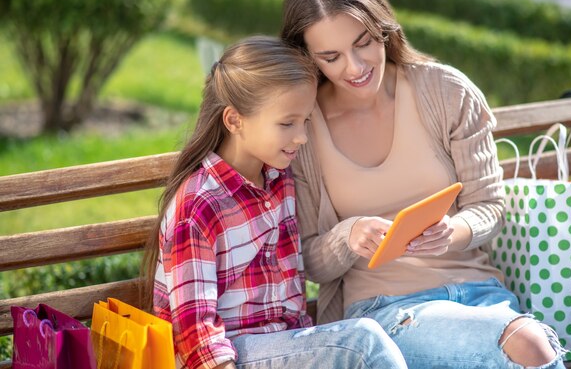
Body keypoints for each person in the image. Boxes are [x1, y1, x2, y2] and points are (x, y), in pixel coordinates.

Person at [280, 0, 567, 369]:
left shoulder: (445, 91)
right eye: (331, 57)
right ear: (307, 57)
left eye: (363, 42)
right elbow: (310, 261)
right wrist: (348, 235)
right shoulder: (304, 128)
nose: (355, 68)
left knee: (522, 345)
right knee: (530, 348)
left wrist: (453, 231)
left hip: (480, 295)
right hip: (387, 313)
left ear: (383, 26)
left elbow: (490, 206)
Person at [141, 36, 408, 369]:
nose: (301, 136)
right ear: (234, 120)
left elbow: (291, 304)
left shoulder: (278, 181)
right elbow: (194, 330)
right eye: (287, 123)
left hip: (281, 347)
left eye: (305, 121)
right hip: (231, 356)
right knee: (362, 343)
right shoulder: (199, 205)